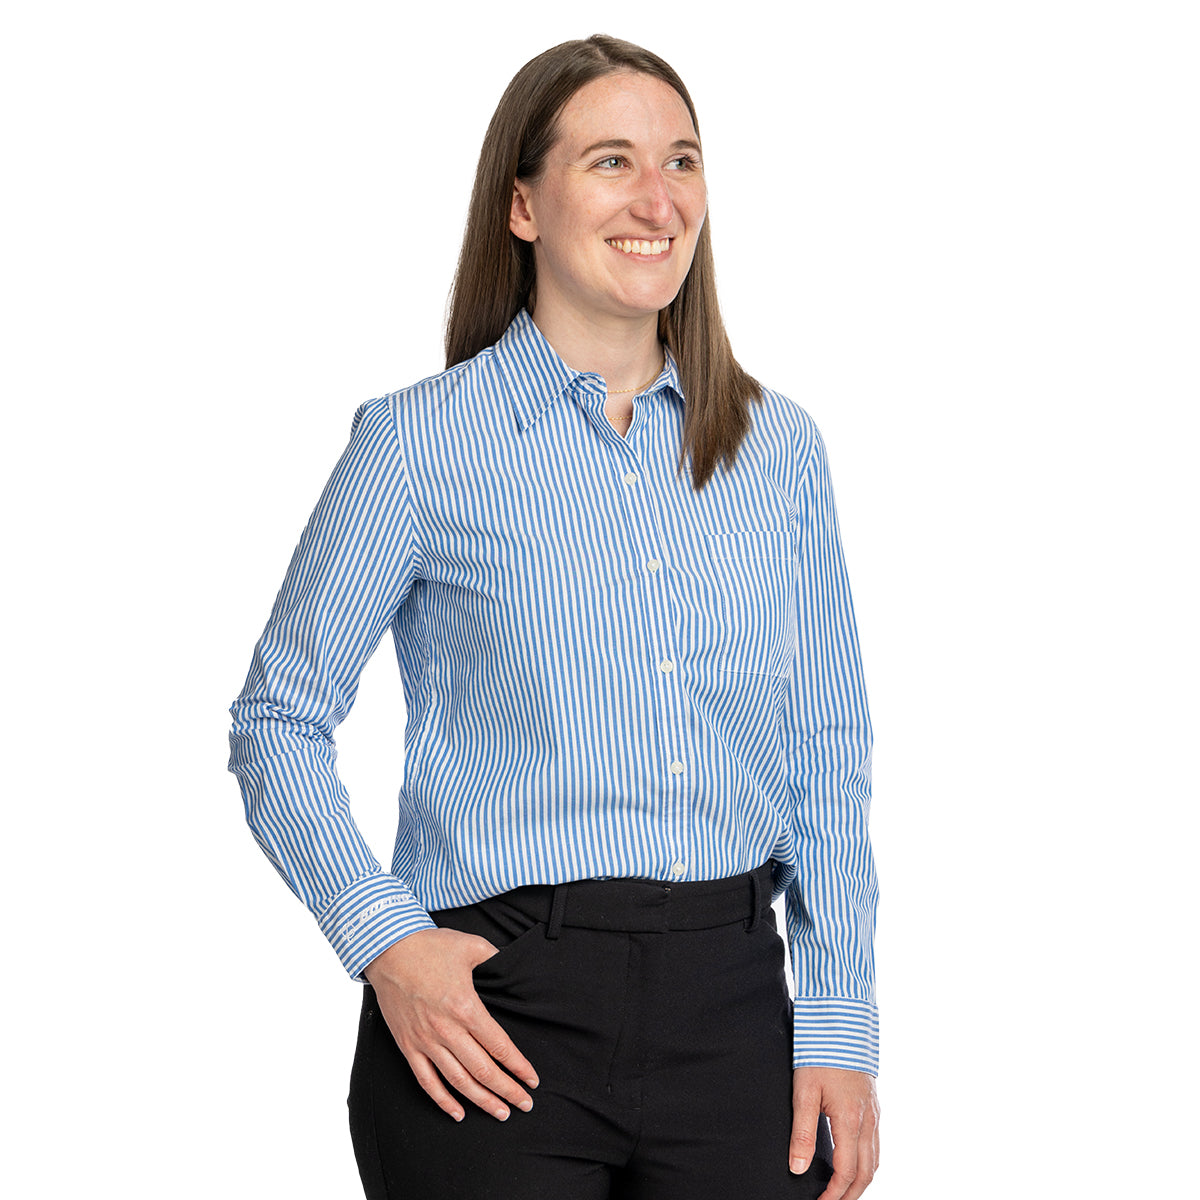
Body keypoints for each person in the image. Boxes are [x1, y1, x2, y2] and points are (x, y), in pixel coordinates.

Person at [228, 33, 879, 1200]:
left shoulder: (778, 452)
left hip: (735, 1017)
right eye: (612, 161)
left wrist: (837, 1018)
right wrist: (389, 944)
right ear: (522, 206)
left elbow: (828, 751)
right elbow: (278, 720)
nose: (658, 197)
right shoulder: (420, 444)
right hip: (495, 1022)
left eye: (682, 161)